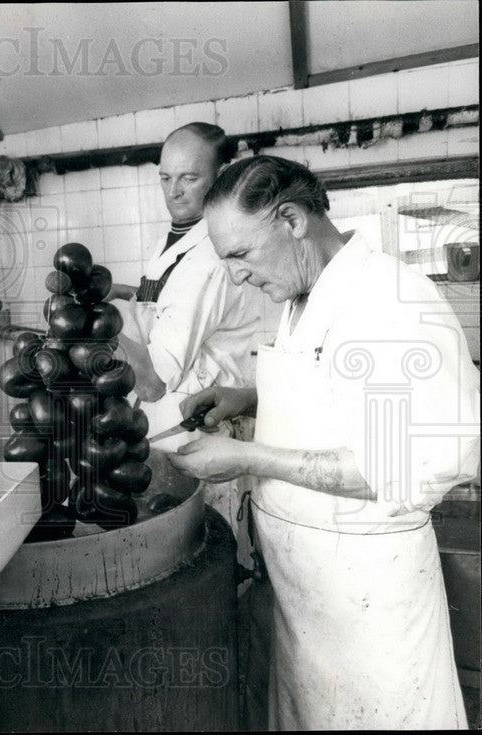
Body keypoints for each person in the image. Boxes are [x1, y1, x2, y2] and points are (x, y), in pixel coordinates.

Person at [171, 154, 479, 730]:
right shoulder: (302, 295)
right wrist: (249, 397)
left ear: (291, 219)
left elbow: (391, 466)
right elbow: (340, 395)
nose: (236, 276)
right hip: (306, 590)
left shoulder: (387, 303)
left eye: (239, 254)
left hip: (366, 595)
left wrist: (245, 456)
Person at [110, 123, 260, 443]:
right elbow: (167, 298)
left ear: (223, 174)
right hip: (169, 414)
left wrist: (93, 326)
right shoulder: (173, 241)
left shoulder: (208, 258)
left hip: (199, 426)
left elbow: (151, 381)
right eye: (165, 178)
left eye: (189, 178)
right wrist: (121, 291)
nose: (173, 192)